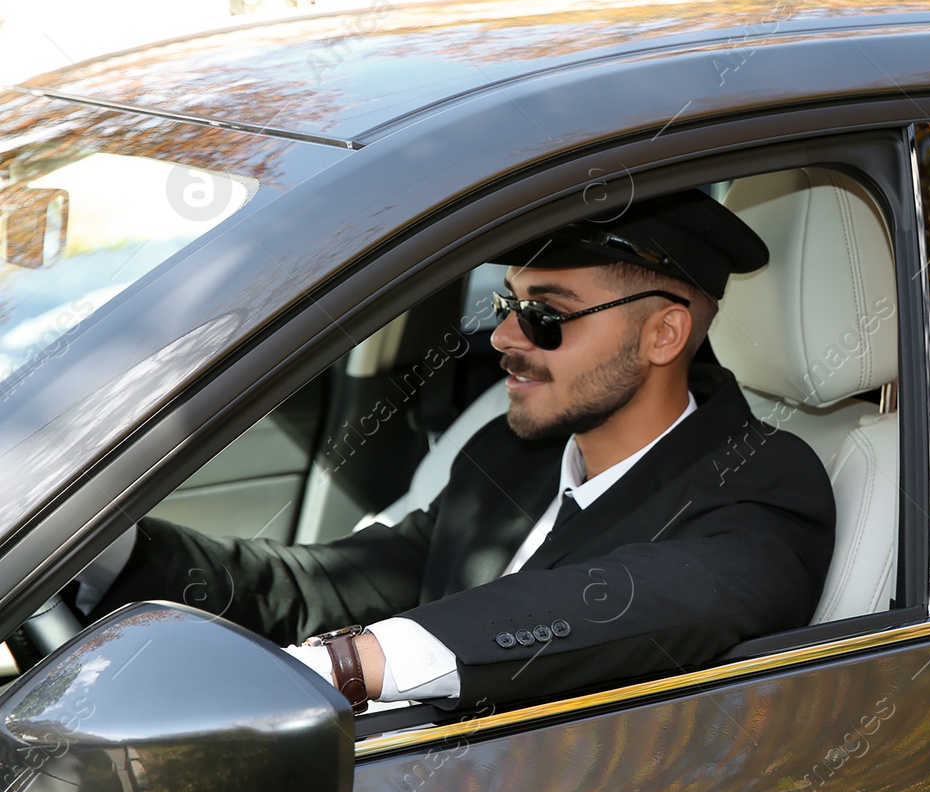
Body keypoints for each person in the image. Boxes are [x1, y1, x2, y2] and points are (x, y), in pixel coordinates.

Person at [84, 189, 837, 712]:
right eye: (509, 304)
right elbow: (329, 587)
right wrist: (105, 552)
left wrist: (352, 664)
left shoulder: (763, 484)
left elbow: (633, 598)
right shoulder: (511, 452)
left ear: (664, 334)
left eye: (546, 314)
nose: (506, 337)